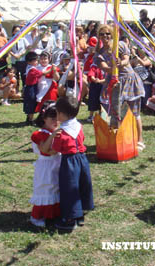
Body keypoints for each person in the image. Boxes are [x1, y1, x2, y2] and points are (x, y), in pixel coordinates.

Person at [95, 24, 145, 150]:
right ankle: (118, 138)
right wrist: (113, 68)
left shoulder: (120, 45)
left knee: (134, 111)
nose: (105, 36)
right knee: (113, 112)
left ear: (112, 35)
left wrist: (120, 63)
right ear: (99, 36)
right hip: (113, 83)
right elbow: (105, 68)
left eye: (107, 34)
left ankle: (140, 140)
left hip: (129, 81)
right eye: (102, 34)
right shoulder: (99, 53)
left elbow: (127, 59)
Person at [53, 96, 94, 230]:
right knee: (82, 184)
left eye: (57, 112)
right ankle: (80, 214)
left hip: (69, 161)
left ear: (62, 114)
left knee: (69, 188)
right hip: (82, 159)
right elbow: (82, 139)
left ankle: (69, 219)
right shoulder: (79, 126)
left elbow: (56, 148)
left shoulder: (61, 132)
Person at [29, 101, 62, 227]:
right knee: (46, 188)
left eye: (58, 118)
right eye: (52, 118)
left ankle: (53, 214)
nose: (56, 121)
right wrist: (54, 136)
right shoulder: (40, 134)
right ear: (44, 118)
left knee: (55, 187)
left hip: (56, 164)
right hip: (46, 166)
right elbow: (46, 151)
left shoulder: (57, 131)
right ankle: (37, 216)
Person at [24, 52, 43, 125]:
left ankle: (29, 118)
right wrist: (51, 70)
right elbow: (42, 73)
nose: (37, 62)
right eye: (35, 60)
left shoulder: (30, 67)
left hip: (31, 87)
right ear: (29, 62)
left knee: (31, 103)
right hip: (31, 88)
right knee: (31, 103)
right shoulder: (32, 70)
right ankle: (30, 120)